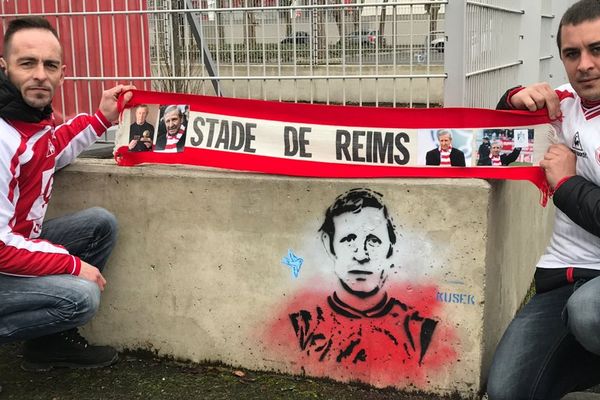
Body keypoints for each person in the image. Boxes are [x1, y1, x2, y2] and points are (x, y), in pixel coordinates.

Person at [0, 16, 134, 377]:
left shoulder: (29, 120)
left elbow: (52, 147)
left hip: (15, 249)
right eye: (27, 63)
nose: (40, 74)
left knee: (99, 225)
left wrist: (102, 118)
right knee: (81, 295)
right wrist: (72, 265)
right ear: (5, 67)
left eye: (50, 65)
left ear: (62, 73)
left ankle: (48, 345)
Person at [487, 1, 600, 398]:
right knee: (506, 392)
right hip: (563, 278)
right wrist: (513, 100)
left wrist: (566, 184)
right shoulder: (563, 103)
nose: (585, 64)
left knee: (589, 314)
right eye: (573, 54)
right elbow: (492, 148)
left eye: (597, 49)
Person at [289, 188, 438, 366]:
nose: (361, 255)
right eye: (348, 239)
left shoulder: (419, 330)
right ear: (329, 245)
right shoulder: (304, 325)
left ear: (391, 246)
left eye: (374, 240)